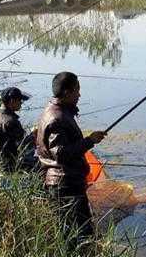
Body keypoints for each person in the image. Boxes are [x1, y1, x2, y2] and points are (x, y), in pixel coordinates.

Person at [36, 72, 107, 245]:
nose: (79, 95)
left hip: (65, 182)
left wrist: (89, 140)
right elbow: (61, 154)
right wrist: (89, 141)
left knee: (72, 235)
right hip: (65, 185)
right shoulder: (56, 117)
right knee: (79, 236)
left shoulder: (58, 111)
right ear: (67, 92)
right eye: (77, 90)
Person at [0, 87, 30, 172]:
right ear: (12, 101)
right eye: (20, 101)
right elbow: (24, 144)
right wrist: (34, 134)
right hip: (5, 165)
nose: (21, 103)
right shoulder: (10, 121)